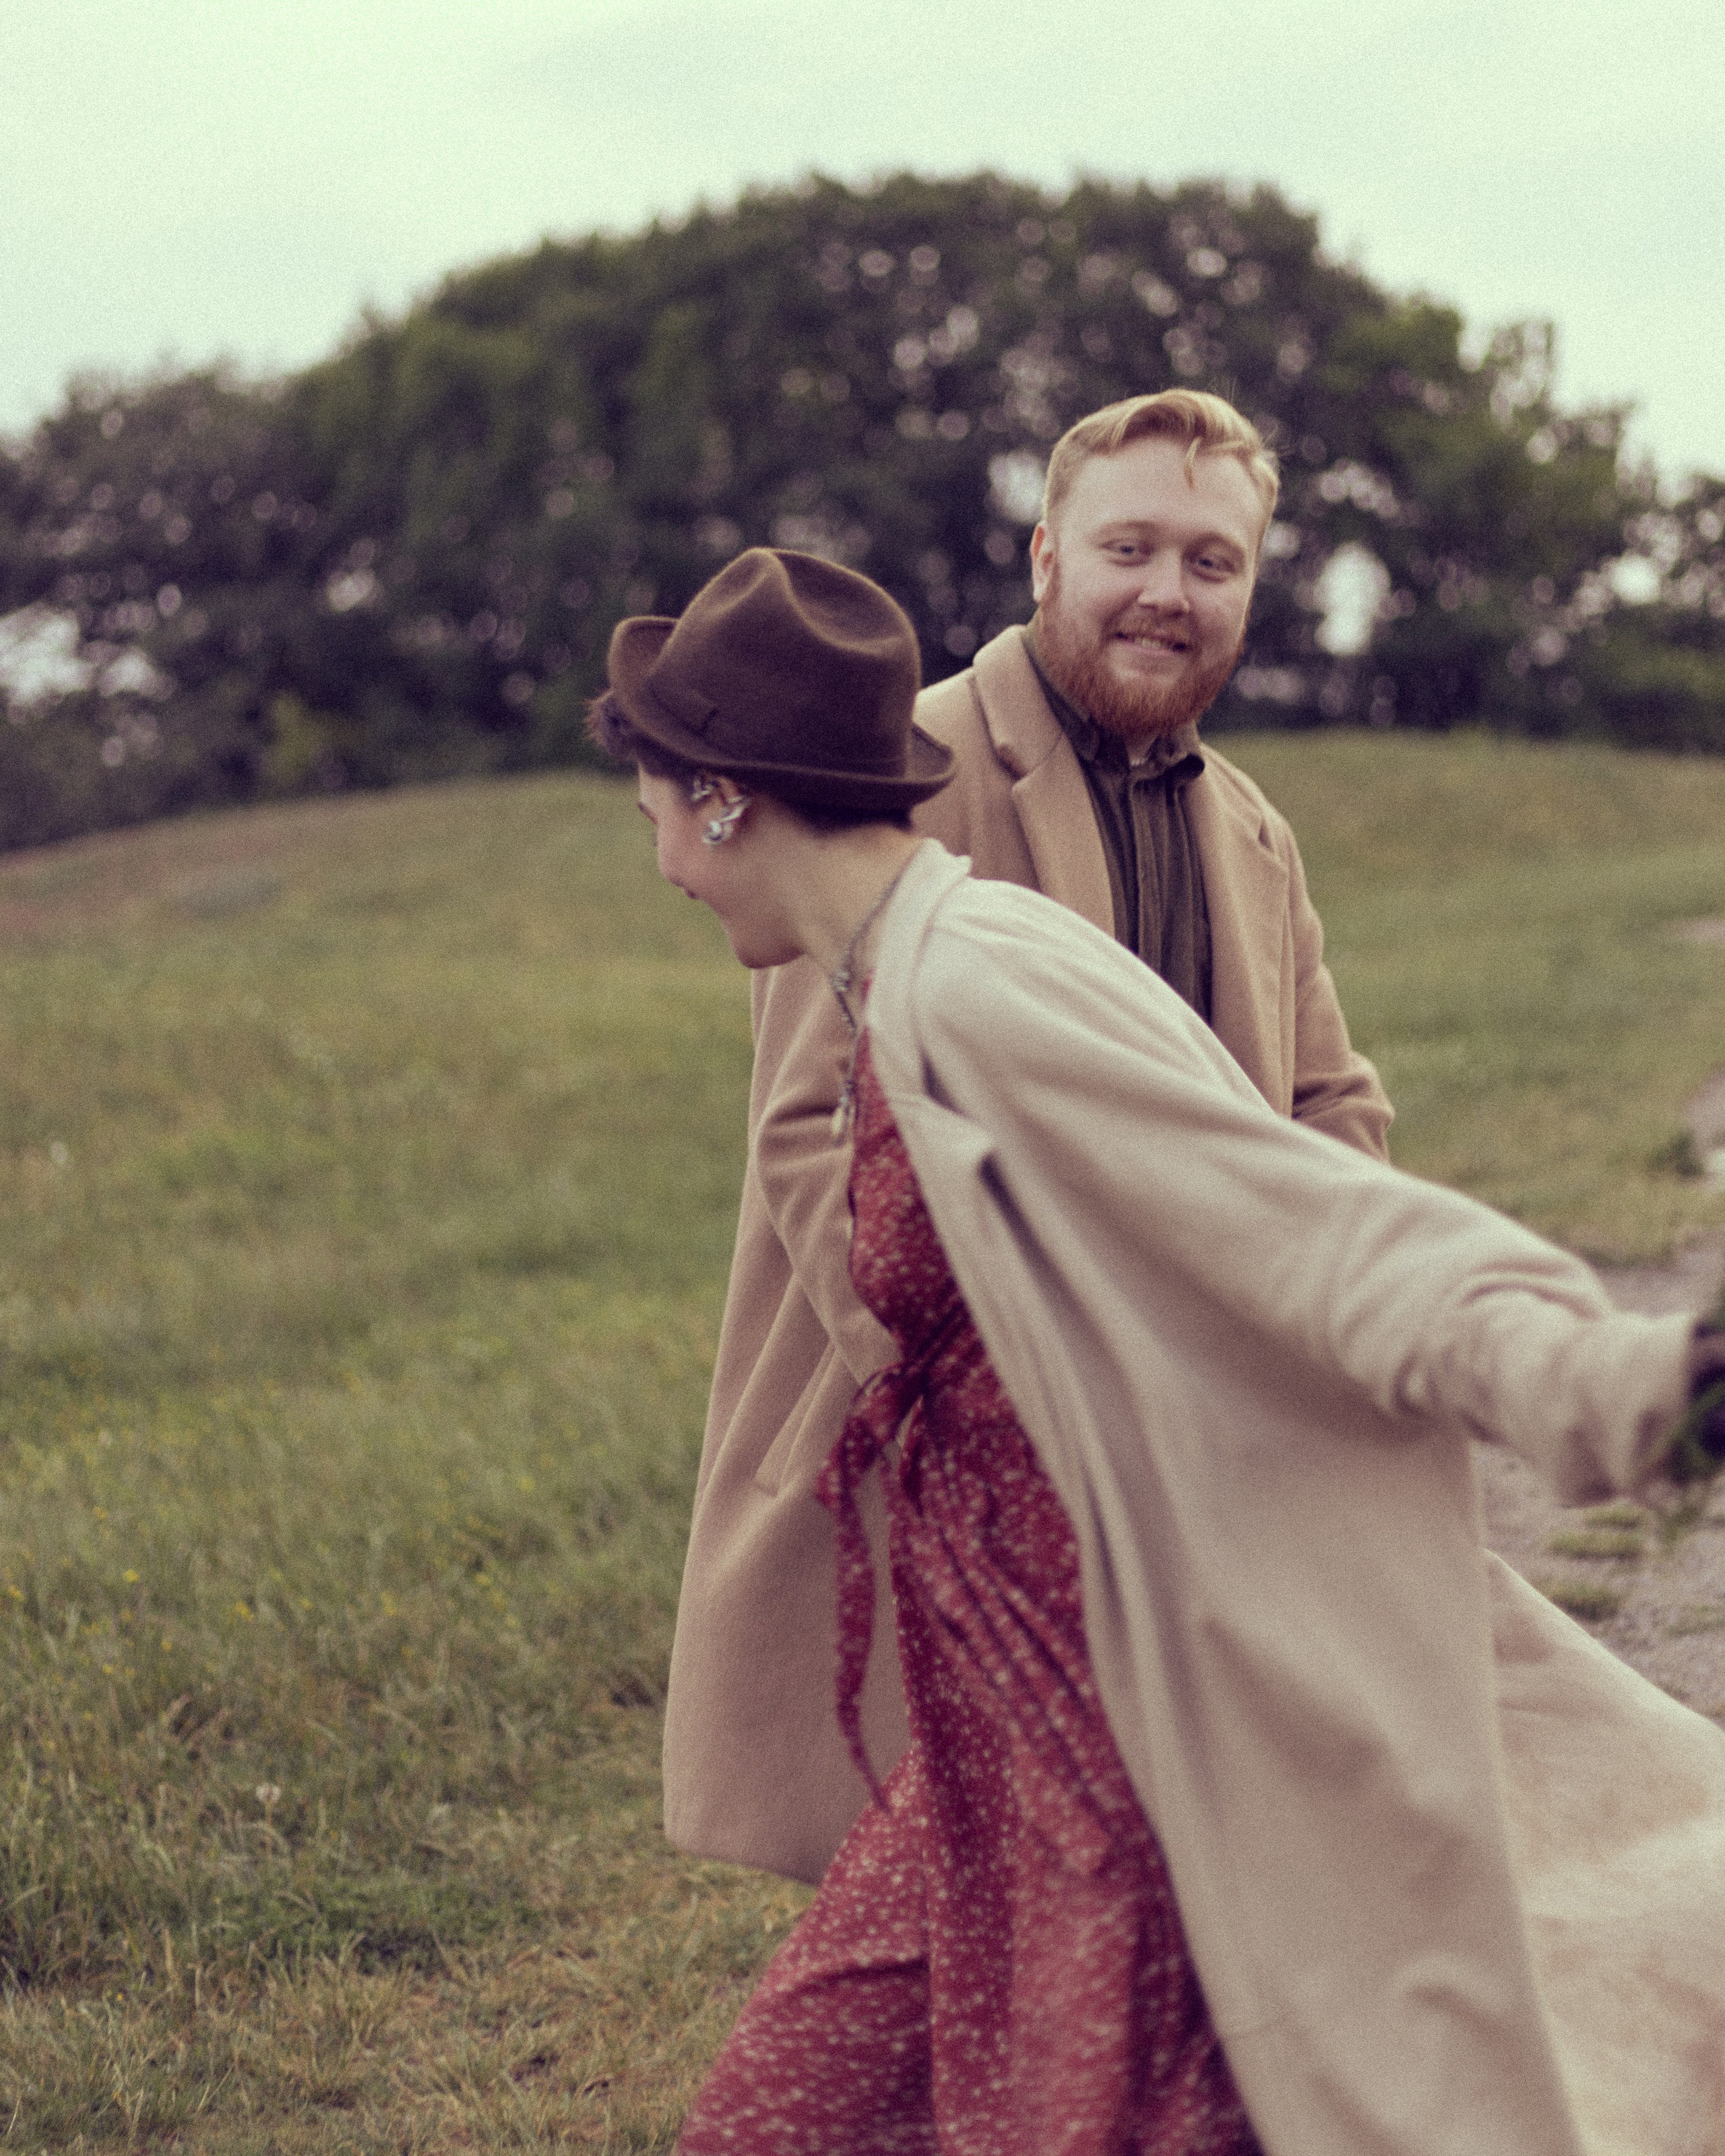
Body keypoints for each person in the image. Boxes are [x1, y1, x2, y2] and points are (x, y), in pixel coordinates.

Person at [593, 546, 1725, 2155]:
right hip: (991, 1713)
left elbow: (1299, 1221)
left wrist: (1606, 1381)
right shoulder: (897, 977)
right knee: (807, 2106)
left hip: (1117, 1708)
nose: (654, 857)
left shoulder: (984, 986)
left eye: (650, 805)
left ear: (719, 797)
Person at [663, 396, 1393, 1891]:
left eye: (1211, 561)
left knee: (1154, 1881)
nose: (1165, 592)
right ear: (1047, 553)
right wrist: (959, 1406)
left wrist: (1330, 1327)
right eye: (1127, 546)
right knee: (960, 1873)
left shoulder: (1249, 826)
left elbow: (1327, 1108)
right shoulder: (911, 754)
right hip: (951, 1433)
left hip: (1190, 1428)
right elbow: (810, 1128)